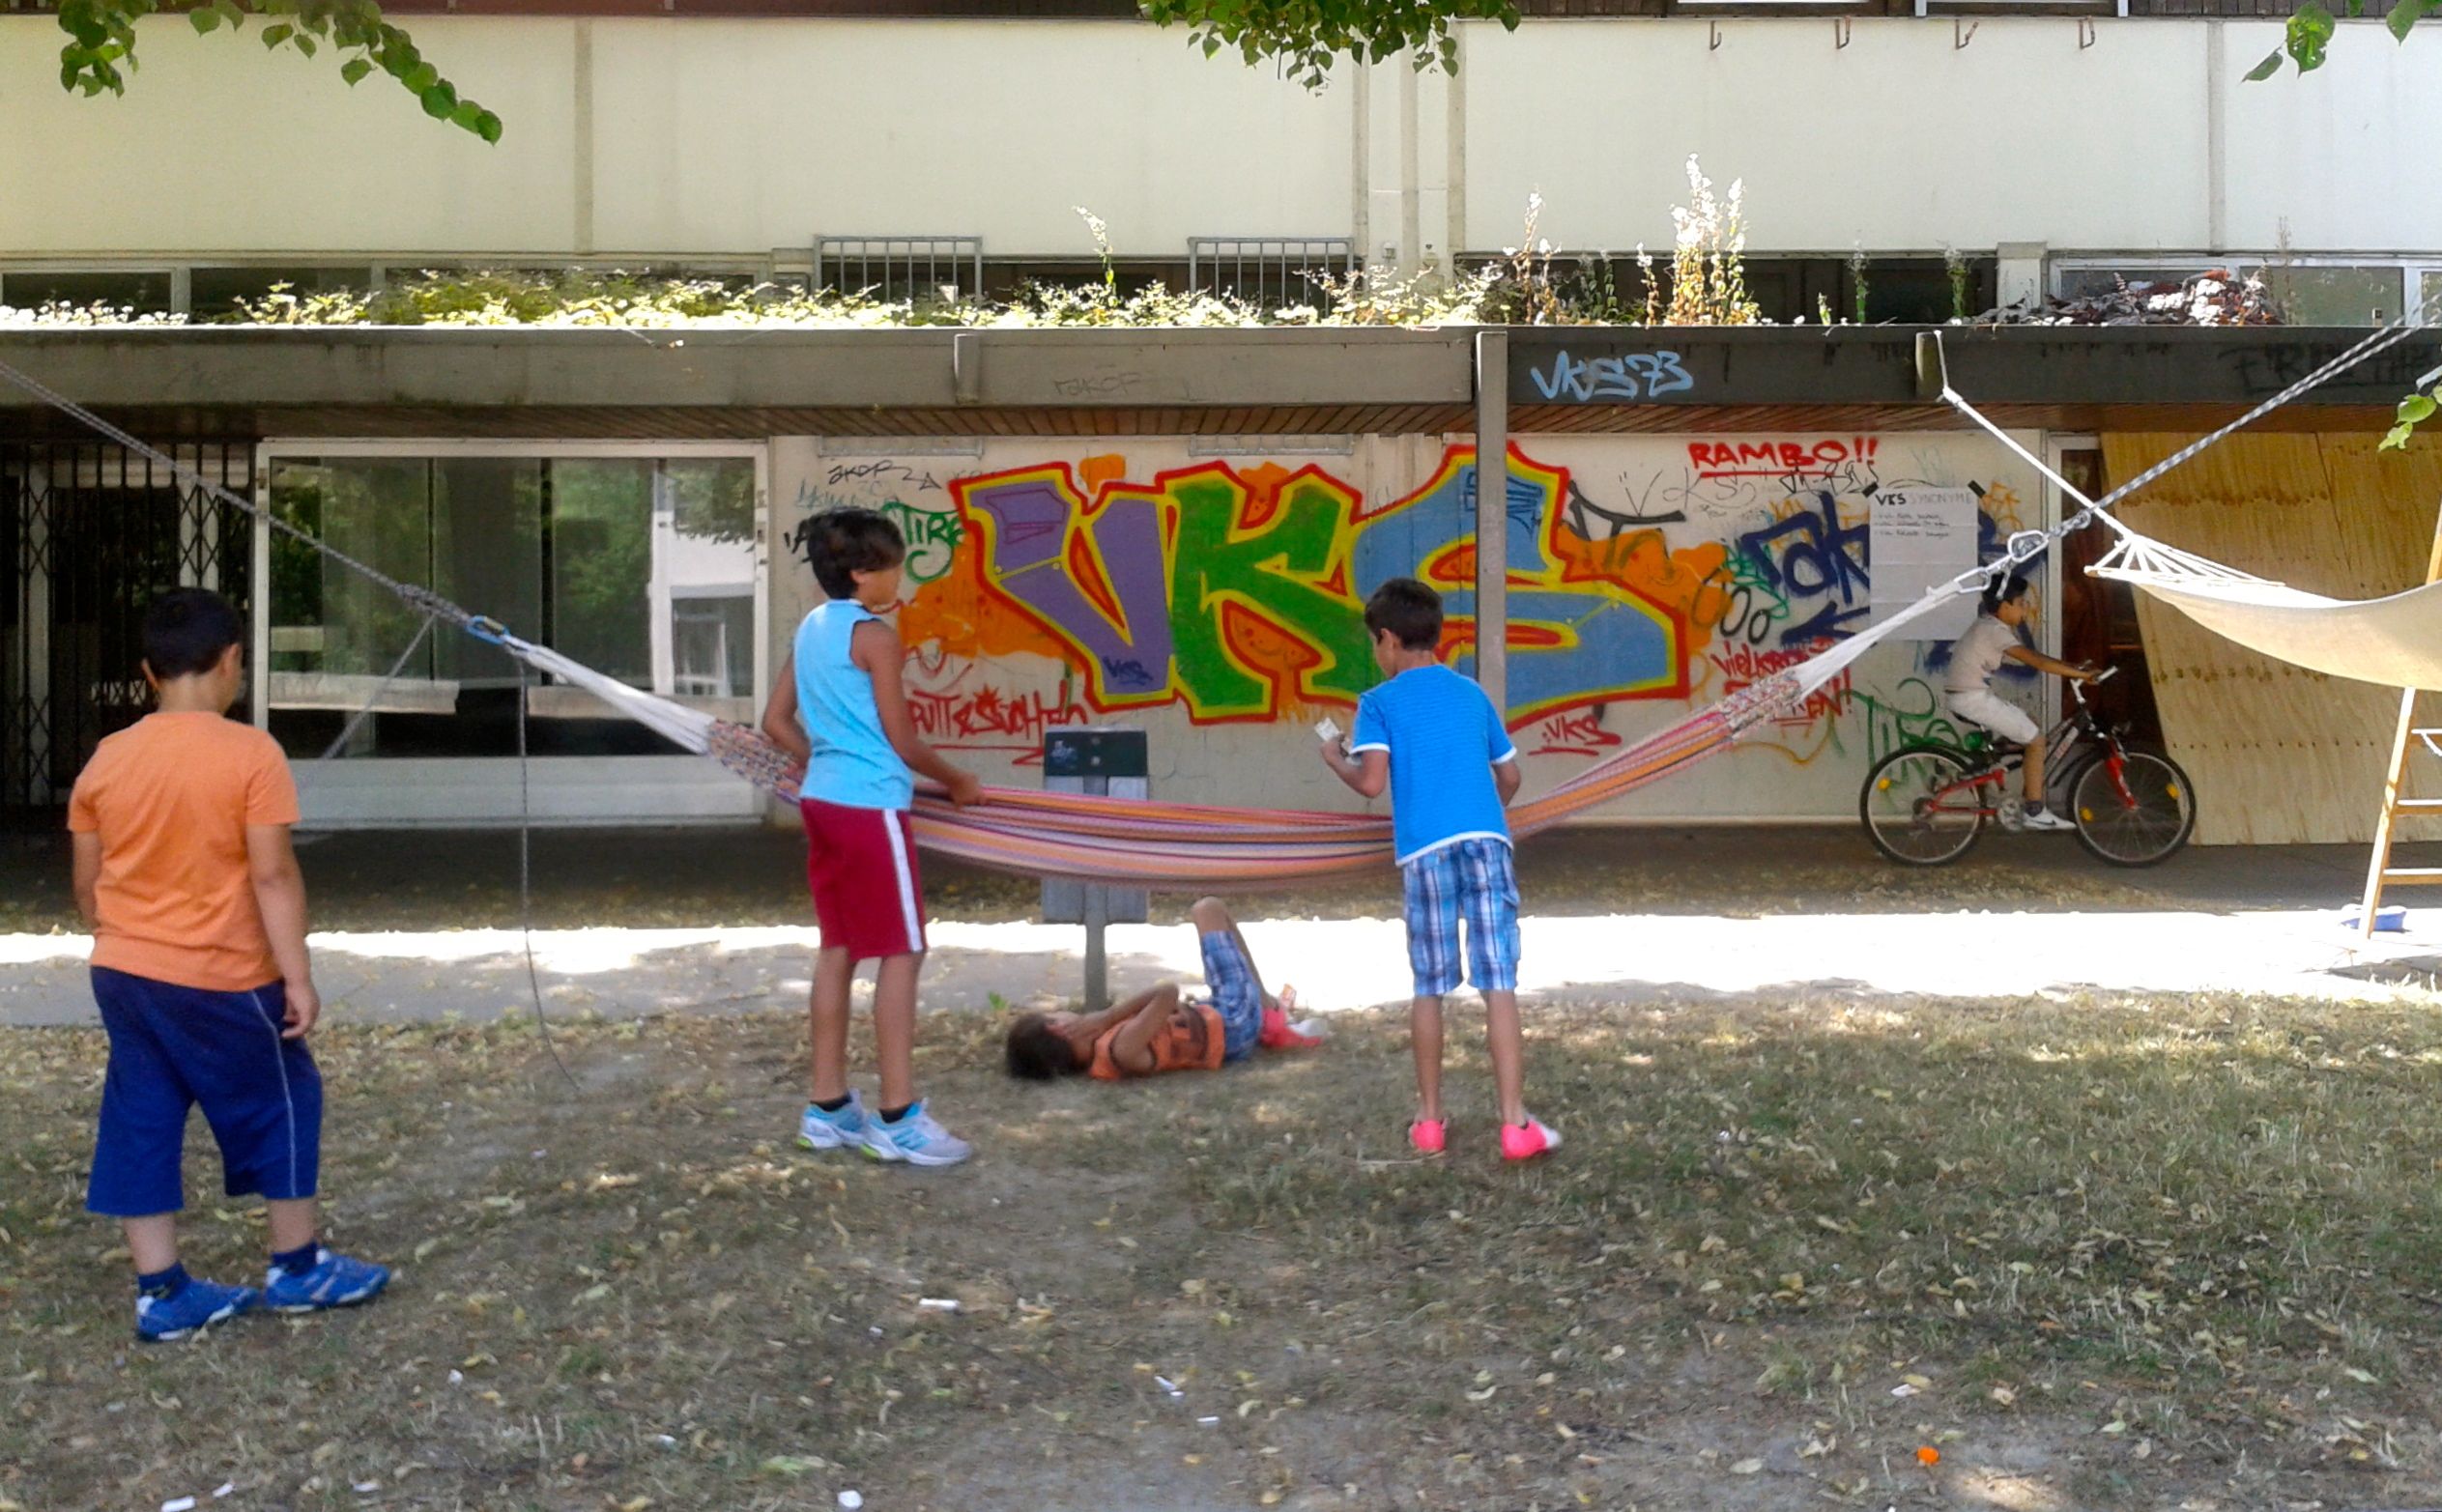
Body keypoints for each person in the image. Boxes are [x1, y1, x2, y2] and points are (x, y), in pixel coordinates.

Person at [69, 588, 388, 1343]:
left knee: (142, 1112)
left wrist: (123, 938)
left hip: (123, 970)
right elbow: (272, 875)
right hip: (224, 974)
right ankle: (297, 1265)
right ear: (232, 660)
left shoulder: (107, 758)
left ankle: (160, 1290)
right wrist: (296, 976)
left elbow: (88, 881)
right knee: (284, 1096)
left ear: (148, 672)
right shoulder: (252, 754)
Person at [761, 507, 984, 1167]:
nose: (899, 579)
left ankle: (827, 1107)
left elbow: (775, 721)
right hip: (871, 809)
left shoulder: (810, 630)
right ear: (862, 573)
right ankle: (898, 1117)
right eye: (893, 567)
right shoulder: (874, 637)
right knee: (903, 950)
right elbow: (903, 740)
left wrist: (822, 761)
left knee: (840, 946)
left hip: (823, 802)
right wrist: (959, 781)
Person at [1317, 578, 1558, 1161]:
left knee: (1429, 987)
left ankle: (1428, 1122)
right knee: (1499, 983)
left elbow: (1371, 783)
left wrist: (1334, 760)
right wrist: (1480, 809)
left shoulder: (1379, 702)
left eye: (1375, 643)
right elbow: (1510, 777)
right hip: (1487, 842)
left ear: (1388, 639)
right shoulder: (1471, 694)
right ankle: (1515, 1125)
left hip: (1425, 851)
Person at [1002, 897, 1322, 1080]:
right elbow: (1168, 993)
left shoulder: (1111, 1051)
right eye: (1059, 1014)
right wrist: (1107, 1016)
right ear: (1058, 1028)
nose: (1066, 1013)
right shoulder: (1120, 1049)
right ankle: (1268, 1010)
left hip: (1221, 1024)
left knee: (1213, 935)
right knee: (1208, 908)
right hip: (1234, 1021)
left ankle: (1268, 1008)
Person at [1944, 573, 2096, 833]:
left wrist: (2074, 668)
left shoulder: (1989, 625)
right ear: (2004, 607)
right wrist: (2081, 675)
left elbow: (2038, 658)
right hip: (1971, 699)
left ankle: (1998, 766)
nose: (2025, 608)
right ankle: (2034, 811)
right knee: (2036, 741)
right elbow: (2037, 661)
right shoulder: (1994, 631)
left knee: (2030, 725)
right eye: (2021, 603)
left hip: (1969, 695)